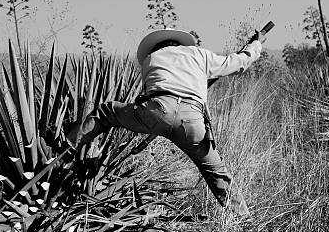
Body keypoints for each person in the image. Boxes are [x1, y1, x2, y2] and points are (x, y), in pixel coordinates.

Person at [67, 28, 263, 217]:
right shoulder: (199, 54)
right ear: (179, 43)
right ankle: (243, 221)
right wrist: (255, 45)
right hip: (192, 121)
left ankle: (67, 149)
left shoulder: (150, 59)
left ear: (157, 46)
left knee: (106, 112)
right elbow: (238, 63)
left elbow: (148, 93)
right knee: (217, 174)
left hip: (156, 111)